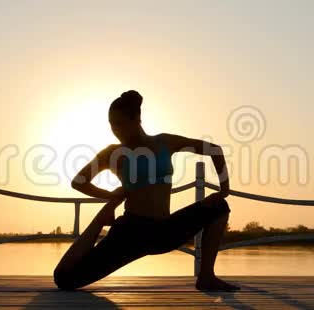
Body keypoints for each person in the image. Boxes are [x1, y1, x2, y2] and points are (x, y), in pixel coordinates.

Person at [53, 90, 240, 291]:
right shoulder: (113, 153)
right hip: (131, 233)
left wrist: (224, 190)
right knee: (64, 279)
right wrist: (110, 198)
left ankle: (206, 277)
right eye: (111, 124)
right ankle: (101, 219)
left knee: (220, 207)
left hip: (165, 230)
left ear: (136, 120)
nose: (115, 130)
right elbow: (79, 182)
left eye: (119, 123)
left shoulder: (165, 142)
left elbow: (214, 150)